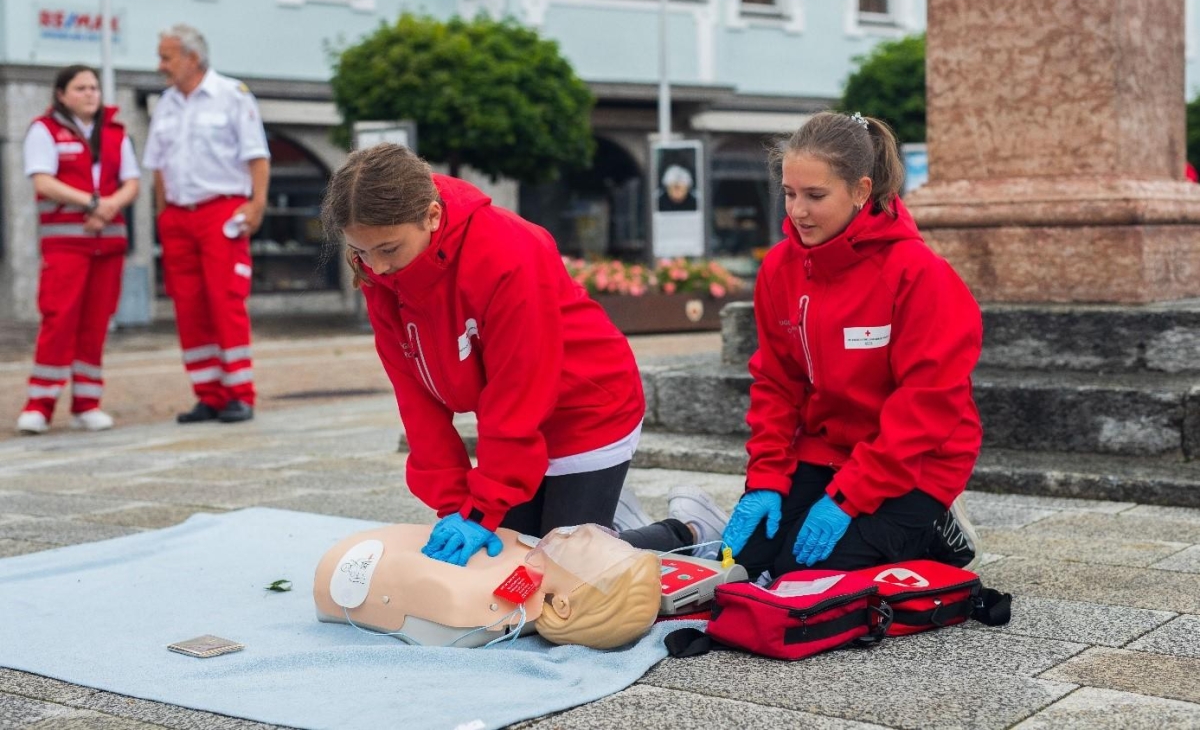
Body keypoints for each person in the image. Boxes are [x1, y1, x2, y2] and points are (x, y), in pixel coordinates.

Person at [319, 143, 727, 567]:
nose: (376, 267)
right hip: (518, 423)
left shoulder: (508, 251)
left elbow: (519, 389)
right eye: (360, 251)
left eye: (388, 249)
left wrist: (484, 507)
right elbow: (416, 397)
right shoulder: (381, 273)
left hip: (588, 406)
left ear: (432, 217)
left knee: (563, 571)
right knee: (505, 563)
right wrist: (456, 505)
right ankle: (599, 522)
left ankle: (689, 530)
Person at [720, 111, 984, 582]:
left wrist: (848, 497)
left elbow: (927, 407)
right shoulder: (780, 268)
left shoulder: (918, 275)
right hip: (826, 449)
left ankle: (936, 528)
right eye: (789, 193)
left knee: (795, 573)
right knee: (745, 564)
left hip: (915, 461)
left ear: (862, 191)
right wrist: (765, 479)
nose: (796, 211)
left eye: (815, 196)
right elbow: (777, 384)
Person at [143, 24, 270, 424]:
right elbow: (158, 165)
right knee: (188, 305)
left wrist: (257, 205)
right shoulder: (165, 104)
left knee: (224, 299)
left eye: (167, 57)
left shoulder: (232, 96)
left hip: (222, 211)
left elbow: (257, 156)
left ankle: (240, 393)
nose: (160, 65)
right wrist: (164, 214)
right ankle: (208, 394)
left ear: (191, 59)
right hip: (179, 216)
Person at [15, 65, 140, 435]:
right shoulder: (44, 130)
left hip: (109, 245)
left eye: (94, 88)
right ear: (61, 94)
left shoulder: (117, 132)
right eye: (81, 88)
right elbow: (43, 180)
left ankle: (87, 403)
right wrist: (93, 202)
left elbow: (132, 182)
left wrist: (109, 206)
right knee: (59, 319)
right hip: (66, 244)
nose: (91, 94)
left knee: (96, 324)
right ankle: (40, 404)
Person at [313, 522, 661, 649]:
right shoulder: (540, 565)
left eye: (584, 545)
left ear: (563, 605)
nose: (579, 532)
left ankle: (682, 527)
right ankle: (678, 528)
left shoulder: (471, 602)